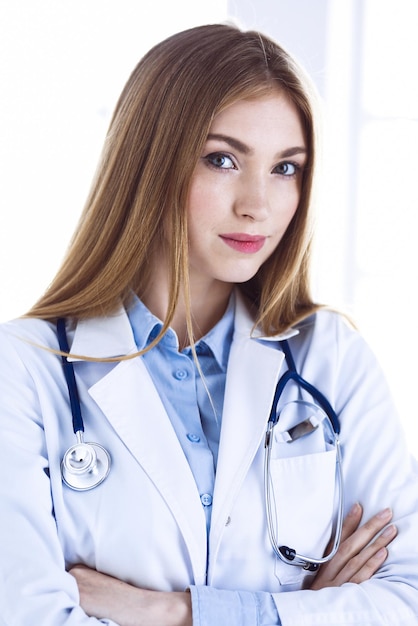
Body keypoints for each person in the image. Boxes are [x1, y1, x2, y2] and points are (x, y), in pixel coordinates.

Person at [0, 22, 417, 626]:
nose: (259, 203)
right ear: (149, 161)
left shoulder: (331, 359)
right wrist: (301, 611)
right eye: (222, 159)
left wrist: (175, 611)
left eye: (286, 168)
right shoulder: (24, 369)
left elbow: (406, 600)